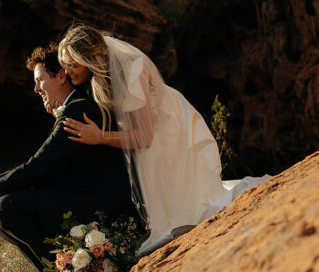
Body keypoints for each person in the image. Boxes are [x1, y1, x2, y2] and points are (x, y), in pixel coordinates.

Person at [57, 23, 269, 255]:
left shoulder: (130, 72)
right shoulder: (98, 76)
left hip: (170, 131)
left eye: (72, 65)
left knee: (188, 210)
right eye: (64, 66)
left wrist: (100, 137)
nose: (67, 72)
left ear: (89, 59)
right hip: (150, 131)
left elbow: (145, 137)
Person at [0, 45, 141, 272]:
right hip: (83, 196)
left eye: (40, 80)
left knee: (6, 208)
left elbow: (36, 167)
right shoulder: (72, 108)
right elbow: (38, 164)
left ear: (61, 76)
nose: (36, 89)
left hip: (103, 204)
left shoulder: (78, 110)